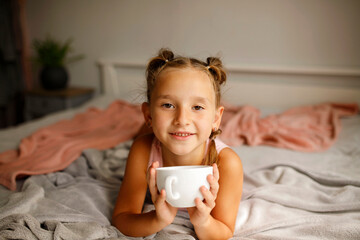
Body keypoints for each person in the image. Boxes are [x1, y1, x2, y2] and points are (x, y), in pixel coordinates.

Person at [112, 48, 243, 239]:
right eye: (168, 105)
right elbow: (122, 218)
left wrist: (204, 222)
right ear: (148, 115)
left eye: (197, 107)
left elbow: (224, 231)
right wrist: (158, 219)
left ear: (216, 118)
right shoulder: (143, 150)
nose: (182, 119)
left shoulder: (227, 163)